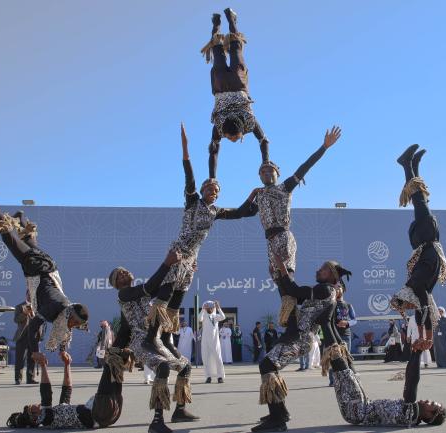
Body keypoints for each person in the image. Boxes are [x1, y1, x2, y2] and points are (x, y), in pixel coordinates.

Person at [144, 124, 253, 358]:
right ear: (203, 190)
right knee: (166, 292)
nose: (212, 192)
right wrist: (185, 147)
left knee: (178, 298)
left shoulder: (216, 211)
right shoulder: (193, 201)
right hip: (179, 250)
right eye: (209, 189)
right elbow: (188, 173)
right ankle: (151, 336)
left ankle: (166, 337)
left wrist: (255, 196)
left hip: (192, 259)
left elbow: (242, 212)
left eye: (216, 191)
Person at [232, 126, 341, 332]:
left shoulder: (285, 188)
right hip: (269, 240)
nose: (266, 174)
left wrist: (324, 147)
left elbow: (305, 167)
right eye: (262, 172)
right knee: (279, 282)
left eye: (270, 170)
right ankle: (291, 316)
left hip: (283, 235)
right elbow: (242, 213)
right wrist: (251, 196)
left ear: (277, 173)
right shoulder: (260, 194)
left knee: (286, 276)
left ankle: (299, 316)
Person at [0, 190, 89, 354]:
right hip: (37, 267)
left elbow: (65, 333)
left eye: (77, 326)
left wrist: (63, 350)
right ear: (70, 314)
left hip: (48, 267)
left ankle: (21, 218)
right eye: (75, 323)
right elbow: (32, 329)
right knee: (8, 236)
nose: (74, 327)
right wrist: (34, 353)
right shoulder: (55, 308)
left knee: (28, 243)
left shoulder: (64, 312)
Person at [252, 256, 351, 432]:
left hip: (300, 338)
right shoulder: (327, 290)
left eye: (323, 269)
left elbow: (294, 290)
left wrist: (282, 266)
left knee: (267, 365)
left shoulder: (325, 289)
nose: (318, 271)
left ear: (332, 275)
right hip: (298, 337)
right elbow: (291, 295)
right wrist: (278, 277)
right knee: (269, 366)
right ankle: (279, 413)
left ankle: (278, 419)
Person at [111, 249, 199, 433]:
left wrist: (185, 271)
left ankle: (180, 410)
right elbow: (151, 286)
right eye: (118, 275)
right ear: (116, 285)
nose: (123, 272)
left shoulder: (140, 293)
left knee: (185, 367)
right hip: (141, 342)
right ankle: (157, 422)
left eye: (123, 270)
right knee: (163, 367)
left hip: (156, 341)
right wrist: (167, 263)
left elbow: (167, 287)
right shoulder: (124, 295)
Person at [391, 145, 446, 348]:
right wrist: (427, 339)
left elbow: (423, 310)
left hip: (426, 240)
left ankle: (407, 165)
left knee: (419, 200)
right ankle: (413, 165)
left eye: (405, 304)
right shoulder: (420, 288)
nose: (410, 306)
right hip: (427, 243)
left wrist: (427, 338)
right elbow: (422, 312)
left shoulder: (417, 286)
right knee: (421, 199)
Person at [201, 8, 269, 179]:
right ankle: (219, 22)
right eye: (234, 138)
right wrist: (265, 162)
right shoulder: (221, 127)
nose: (232, 140)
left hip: (236, 85)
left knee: (235, 48)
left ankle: (229, 20)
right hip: (222, 83)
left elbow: (264, 141)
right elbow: (213, 151)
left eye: (232, 138)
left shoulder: (247, 122)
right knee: (220, 49)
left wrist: (266, 160)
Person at [331, 334, 446, 427]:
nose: (428, 400)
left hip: (357, 410)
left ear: (429, 415)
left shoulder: (410, 415)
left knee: (340, 362)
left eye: (431, 404)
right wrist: (415, 353)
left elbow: (412, 382)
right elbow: (409, 376)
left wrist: (418, 353)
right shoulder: (410, 414)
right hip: (360, 407)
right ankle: (327, 321)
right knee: (344, 355)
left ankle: (326, 320)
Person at [6, 346, 125, 429]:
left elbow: (66, 390)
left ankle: (124, 351)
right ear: (34, 418)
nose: (37, 405)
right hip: (100, 412)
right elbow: (46, 394)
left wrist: (67, 365)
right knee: (112, 360)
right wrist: (42, 366)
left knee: (116, 363)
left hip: (107, 415)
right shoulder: (47, 419)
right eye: (34, 408)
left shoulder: (57, 414)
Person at [199, 300, 226, 383]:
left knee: (218, 358)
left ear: (213, 308)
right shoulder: (204, 316)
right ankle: (208, 377)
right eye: (208, 307)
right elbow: (199, 318)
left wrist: (218, 308)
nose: (209, 309)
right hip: (205, 340)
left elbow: (223, 317)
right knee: (205, 358)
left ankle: (220, 377)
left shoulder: (216, 316)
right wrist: (203, 309)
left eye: (211, 307)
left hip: (215, 340)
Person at [14, 301, 38, 384]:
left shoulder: (37, 305)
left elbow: (40, 321)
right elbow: (16, 319)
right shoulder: (19, 306)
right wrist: (24, 313)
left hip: (33, 337)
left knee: (32, 358)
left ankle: (30, 378)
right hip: (22, 336)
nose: (30, 296)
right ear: (26, 295)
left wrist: (39, 335)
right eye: (29, 294)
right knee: (20, 359)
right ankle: (18, 379)